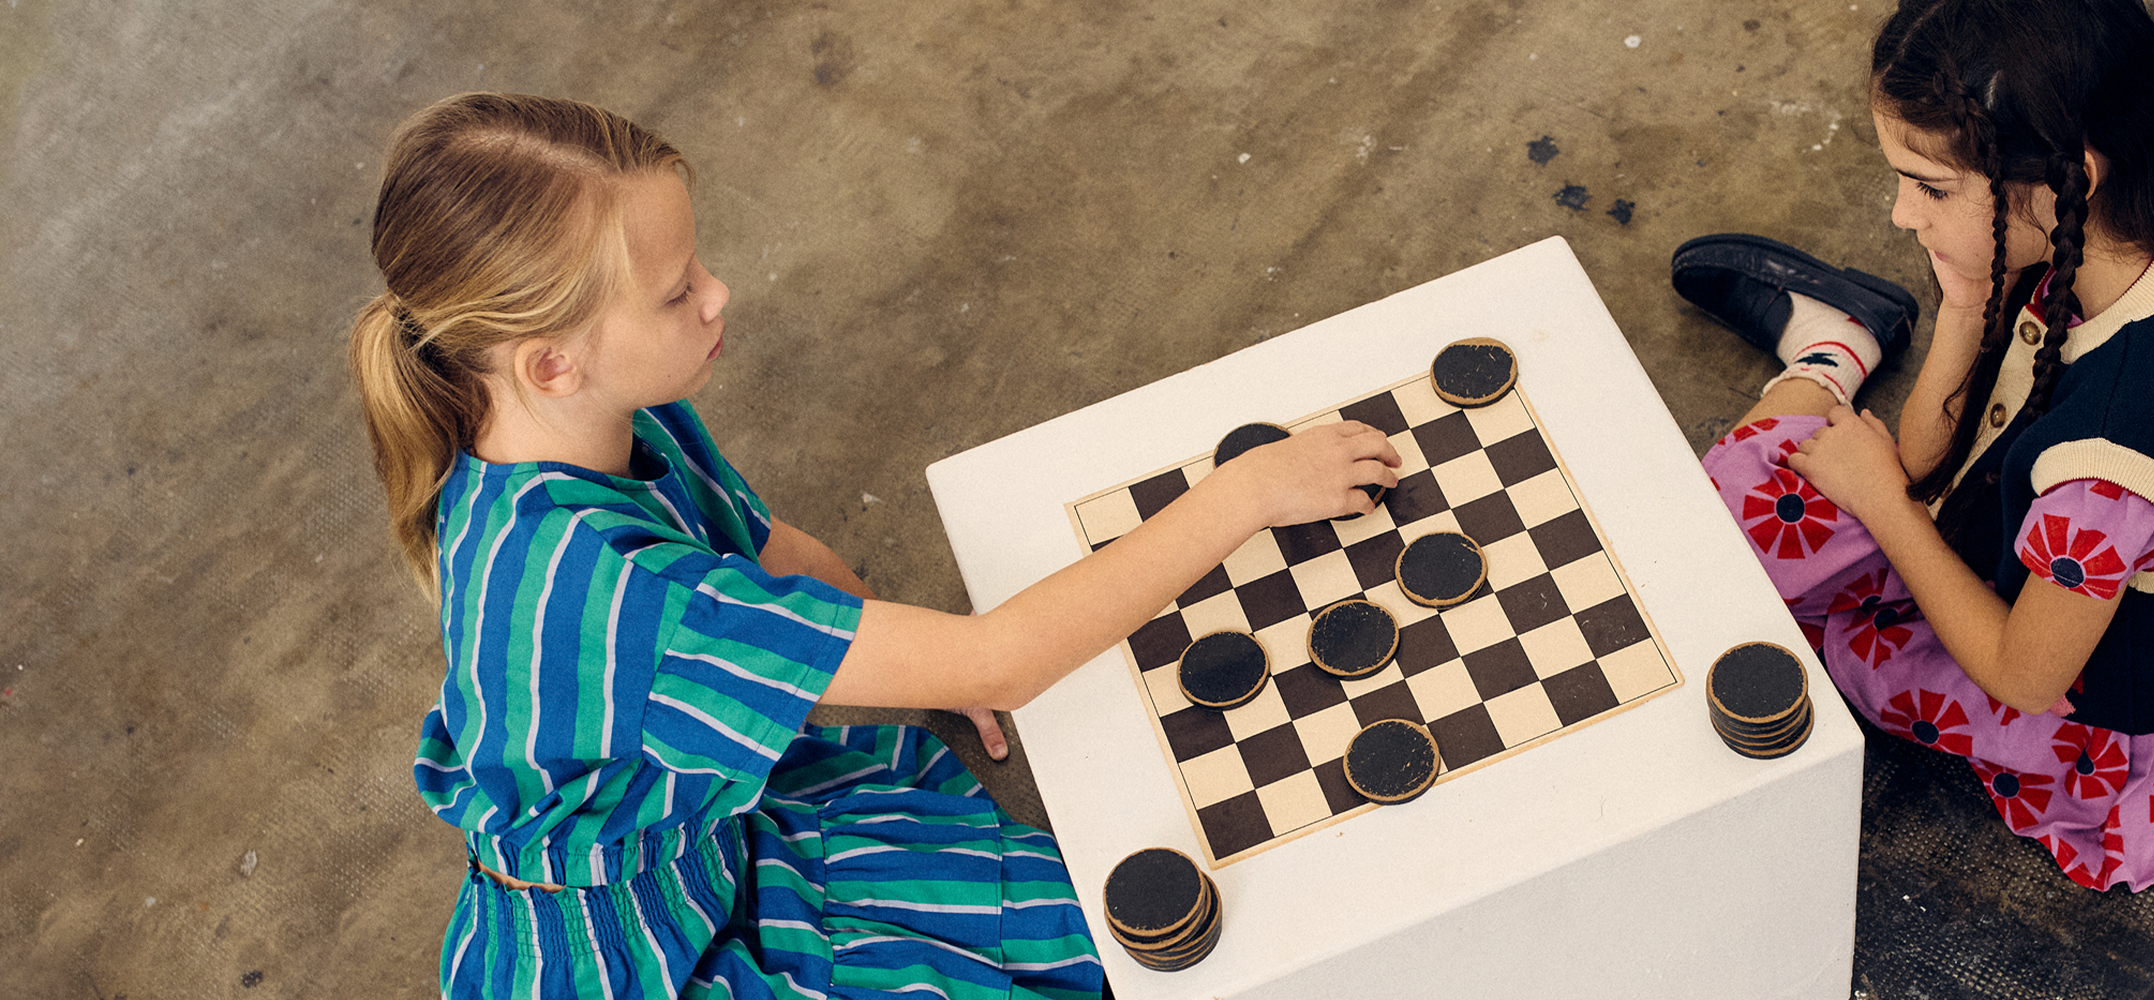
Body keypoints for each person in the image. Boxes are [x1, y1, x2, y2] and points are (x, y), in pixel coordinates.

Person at [348, 93, 1398, 998]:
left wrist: (917, 653)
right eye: (676, 292)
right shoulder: (620, 594)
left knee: (1081, 924)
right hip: (628, 959)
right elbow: (1005, 663)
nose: (718, 292)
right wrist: (1247, 492)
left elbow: (774, 550)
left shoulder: (591, 419)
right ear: (551, 363)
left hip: (697, 844)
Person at [1671, 0, 2154, 890]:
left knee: (1726, 524)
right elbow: (1927, 456)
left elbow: (2023, 676)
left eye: (1929, 187)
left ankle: (1831, 349)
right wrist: (1966, 307)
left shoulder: (2109, 469)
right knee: (1775, 515)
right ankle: (1838, 343)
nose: (1900, 215)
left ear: (2072, 176)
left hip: (2101, 701)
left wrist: (1881, 502)